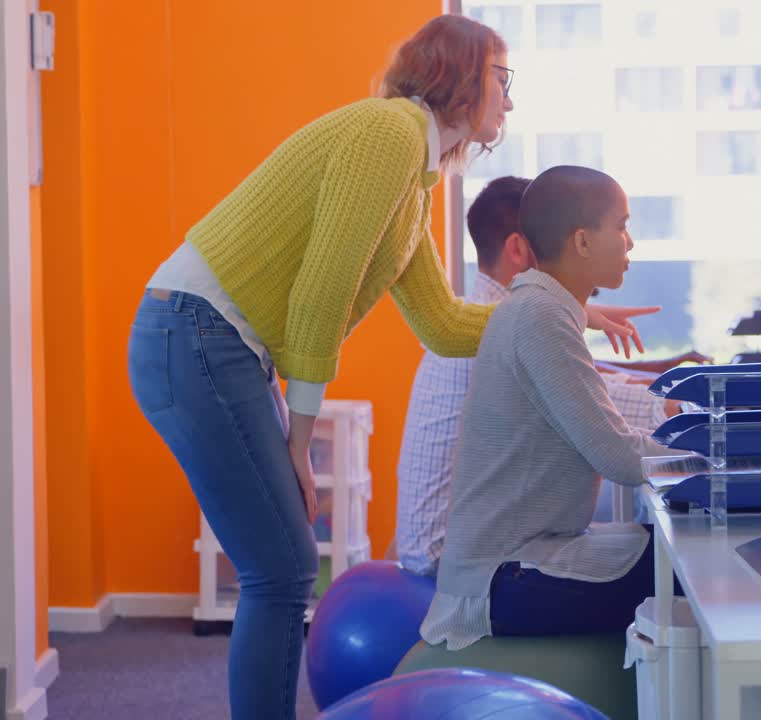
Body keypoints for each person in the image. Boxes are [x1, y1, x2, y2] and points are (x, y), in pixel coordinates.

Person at [125, 17, 649, 719]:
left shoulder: (416, 178)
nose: (509, 100)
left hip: (214, 342)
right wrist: (300, 447)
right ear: (461, 78)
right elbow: (320, 297)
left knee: (278, 569)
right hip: (194, 333)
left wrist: (563, 313)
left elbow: (441, 323)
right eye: (502, 79)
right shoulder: (389, 136)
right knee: (279, 571)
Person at [421, 165, 684, 651]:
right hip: (501, 580)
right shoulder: (540, 318)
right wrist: (722, 463)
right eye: (622, 226)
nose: (631, 243)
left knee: (678, 549)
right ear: (582, 241)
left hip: (515, 563)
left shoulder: (542, 309)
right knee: (694, 572)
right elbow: (619, 456)